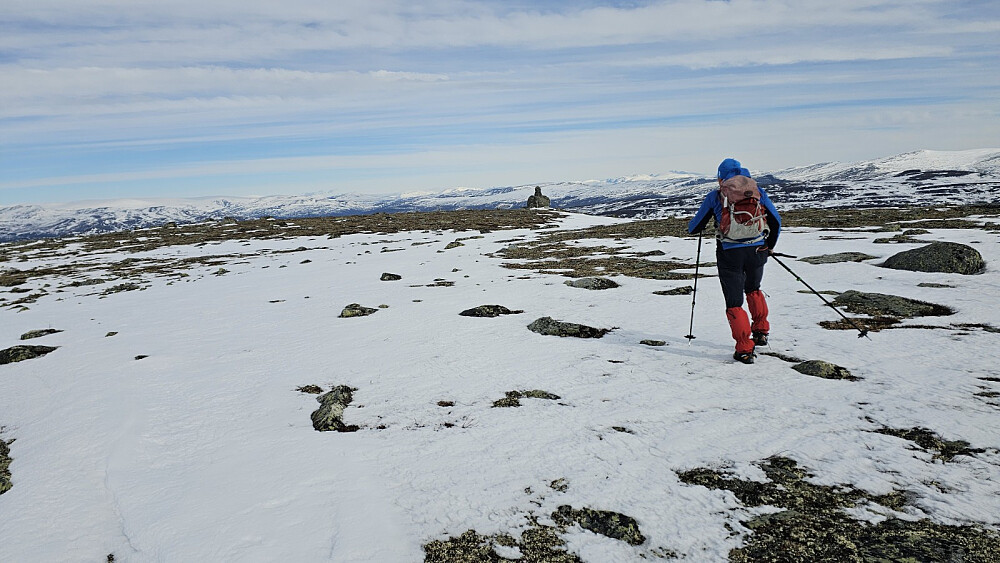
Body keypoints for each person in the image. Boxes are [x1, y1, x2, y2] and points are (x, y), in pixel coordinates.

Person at [688, 158, 781, 364]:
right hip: (758, 250)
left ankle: (744, 349)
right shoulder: (756, 192)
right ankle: (761, 331)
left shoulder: (716, 196)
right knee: (754, 289)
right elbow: (776, 220)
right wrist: (770, 246)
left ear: (721, 177)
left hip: (730, 254)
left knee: (734, 301)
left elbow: (694, 227)